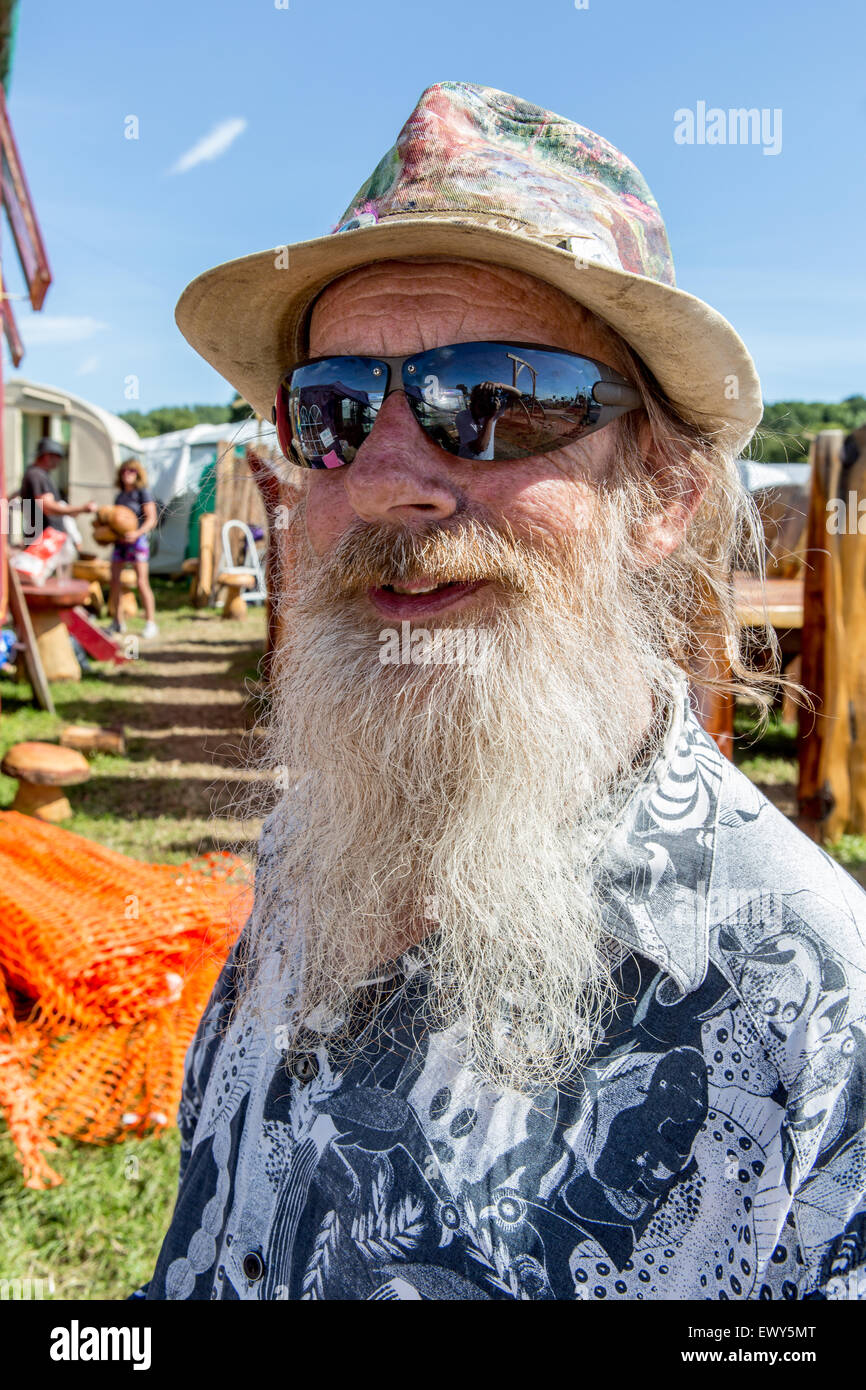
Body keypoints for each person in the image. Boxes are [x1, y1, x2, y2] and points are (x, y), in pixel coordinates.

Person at [140, 82, 866, 1301]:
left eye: (492, 397)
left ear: (665, 495)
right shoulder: (313, 835)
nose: (384, 482)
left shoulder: (806, 1015)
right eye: (331, 411)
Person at [109, 459, 158, 640]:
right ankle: (117, 620)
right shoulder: (120, 496)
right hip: (119, 543)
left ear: (138, 473)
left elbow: (152, 519)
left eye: (131, 471)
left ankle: (150, 622)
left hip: (137, 542)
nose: (127, 474)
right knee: (114, 581)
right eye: (124, 471)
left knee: (141, 582)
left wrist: (137, 533)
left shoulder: (142, 493)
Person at [17, 438, 97, 542]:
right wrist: (80, 508)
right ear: (47, 456)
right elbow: (47, 507)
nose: (59, 461)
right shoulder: (37, 475)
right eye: (57, 457)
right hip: (42, 540)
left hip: (44, 537)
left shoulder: (38, 474)